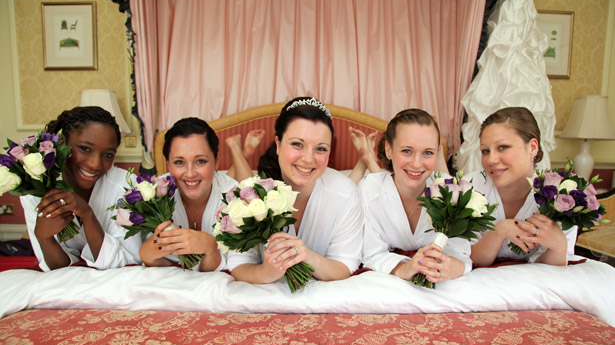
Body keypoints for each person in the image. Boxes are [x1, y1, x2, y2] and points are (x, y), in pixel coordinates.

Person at [224, 97, 364, 283]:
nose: (308, 159)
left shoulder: (345, 193)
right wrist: (267, 272)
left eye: (321, 149)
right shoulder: (251, 195)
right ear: (278, 145)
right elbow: (238, 265)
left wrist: (307, 256)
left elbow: (345, 266)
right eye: (297, 144)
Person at [21, 106, 141, 271]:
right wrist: (44, 238)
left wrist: (87, 214)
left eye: (108, 155)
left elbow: (127, 263)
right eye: (85, 149)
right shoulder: (35, 188)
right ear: (62, 142)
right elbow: (56, 269)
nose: (95, 164)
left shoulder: (127, 187)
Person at [360, 109, 471, 284]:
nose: (417, 164)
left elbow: (461, 253)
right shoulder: (369, 190)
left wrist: (454, 267)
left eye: (428, 152)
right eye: (406, 151)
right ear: (389, 150)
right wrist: (405, 268)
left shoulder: (451, 192)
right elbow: (371, 253)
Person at [467, 107, 574, 267]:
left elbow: (551, 271)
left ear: (532, 147)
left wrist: (559, 246)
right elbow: (467, 258)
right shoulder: (469, 188)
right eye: (485, 151)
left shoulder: (562, 196)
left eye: (502, 147)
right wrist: (500, 231)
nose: (491, 160)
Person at [139, 117, 237, 271]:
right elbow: (152, 258)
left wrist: (210, 247)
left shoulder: (235, 197)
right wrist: (148, 253)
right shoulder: (154, 194)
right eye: (179, 162)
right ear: (168, 165)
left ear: (216, 161)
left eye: (201, 161)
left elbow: (236, 268)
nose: (190, 173)